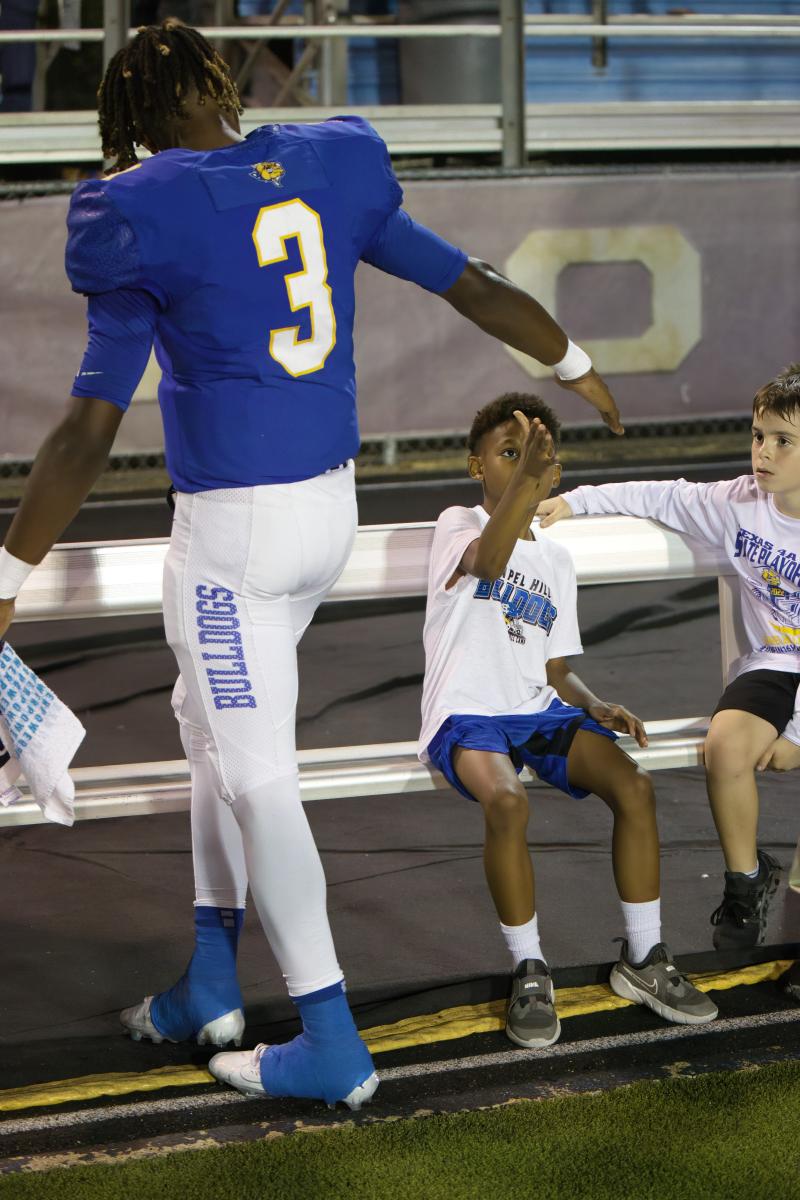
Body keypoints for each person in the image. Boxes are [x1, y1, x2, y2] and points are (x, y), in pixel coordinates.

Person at [0, 20, 625, 1111]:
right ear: (218, 85)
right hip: (326, 517)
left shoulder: (139, 209)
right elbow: (470, 283)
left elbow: (89, 431)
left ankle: (331, 1040)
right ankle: (210, 981)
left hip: (233, 541)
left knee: (256, 777)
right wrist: (571, 360)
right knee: (208, 729)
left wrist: (6, 577)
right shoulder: (329, 160)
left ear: (132, 117)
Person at [418, 393, 718, 1046]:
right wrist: (523, 481)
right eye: (508, 453)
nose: (521, 465)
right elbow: (489, 562)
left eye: (535, 457)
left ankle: (644, 957)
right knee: (507, 800)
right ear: (477, 466)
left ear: (554, 474)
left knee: (634, 785)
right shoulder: (459, 522)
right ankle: (530, 969)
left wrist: (594, 703)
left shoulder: (556, 560)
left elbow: (555, 669)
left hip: (537, 710)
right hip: (467, 713)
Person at [537, 363, 800, 959]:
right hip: (776, 662)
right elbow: (658, 495)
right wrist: (575, 503)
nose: (763, 451)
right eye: (759, 435)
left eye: (783, 441)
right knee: (724, 746)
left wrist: (796, 733)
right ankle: (746, 883)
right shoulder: (739, 501)